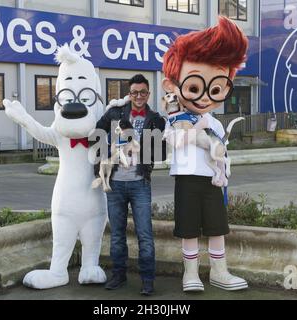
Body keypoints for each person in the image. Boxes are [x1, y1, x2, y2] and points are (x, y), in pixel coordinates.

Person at [162, 16, 249, 292]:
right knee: (188, 230)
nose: (203, 97)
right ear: (173, 85)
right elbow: (174, 144)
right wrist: (196, 127)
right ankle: (191, 274)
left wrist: (226, 173)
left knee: (216, 229)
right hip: (187, 180)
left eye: (214, 88)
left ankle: (219, 271)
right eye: (194, 87)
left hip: (213, 182)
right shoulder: (174, 118)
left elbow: (222, 150)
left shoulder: (215, 121)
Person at [95, 74, 166, 296]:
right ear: (129, 93)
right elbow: (97, 132)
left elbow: (160, 153)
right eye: (134, 92)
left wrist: (142, 143)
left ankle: (147, 279)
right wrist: (107, 153)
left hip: (139, 183)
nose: (138, 96)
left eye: (143, 92)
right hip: (114, 183)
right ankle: (118, 275)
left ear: (148, 94)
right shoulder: (116, 113)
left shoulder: (154, 119)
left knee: (145, 234)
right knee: (117, 234)